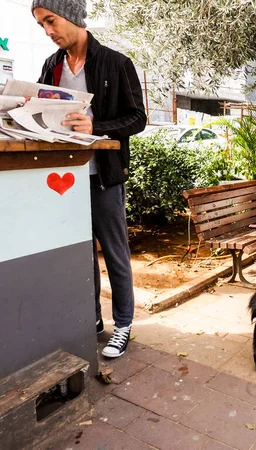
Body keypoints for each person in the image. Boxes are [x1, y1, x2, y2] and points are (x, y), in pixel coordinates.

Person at [33, 0, 147, 358]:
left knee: (114, 253)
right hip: (64, 179)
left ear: (73, 16)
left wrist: (95, 127)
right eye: (41, 26)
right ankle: (93, 318)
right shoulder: (50, 66)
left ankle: (123, 323)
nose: (48, 31)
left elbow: (137, 119)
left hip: (105, 177)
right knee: (82, 255)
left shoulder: (116, 62)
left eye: (50, 21)